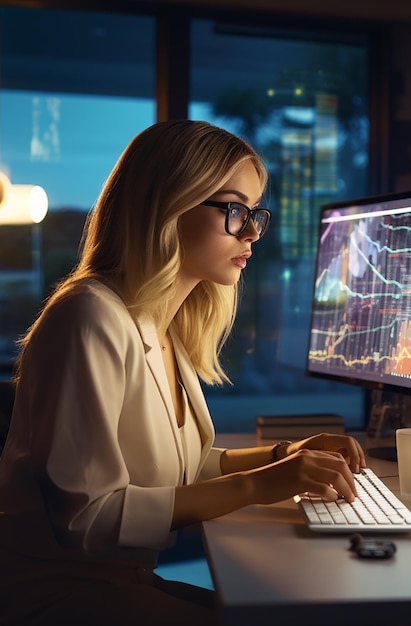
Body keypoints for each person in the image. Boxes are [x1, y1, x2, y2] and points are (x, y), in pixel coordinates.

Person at [0, 120, 366, 625]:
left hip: (117, 581)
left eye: (256, 214)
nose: (253, 233)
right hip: (55, 595)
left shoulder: (158, 323)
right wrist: (263, 485)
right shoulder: (89, 317)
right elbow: (86, 519)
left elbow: (180, 469)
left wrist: (286, 456)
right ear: (169, 205)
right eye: (236, 211)